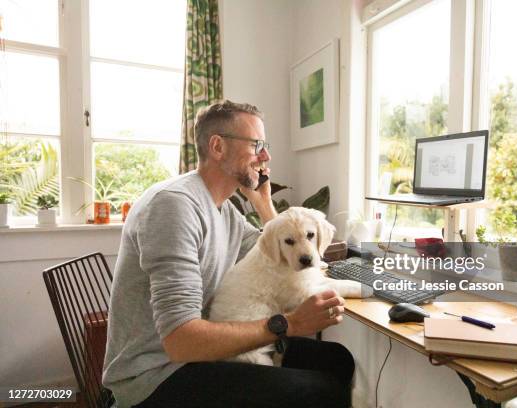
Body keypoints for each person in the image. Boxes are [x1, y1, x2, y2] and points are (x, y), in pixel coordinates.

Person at [102, 100, 355, 408]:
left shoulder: (223, 210)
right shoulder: (174, 206)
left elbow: (272, 253)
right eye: (256, 145)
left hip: (200, 353)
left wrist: (263, 203)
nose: (266, 156)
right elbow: (182, 342)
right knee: (320, 390)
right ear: (218, 146)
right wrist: (289, 324)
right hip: (157, 376)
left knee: (337, 360)